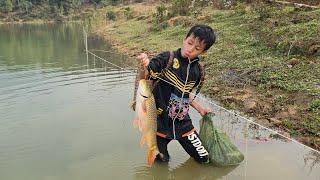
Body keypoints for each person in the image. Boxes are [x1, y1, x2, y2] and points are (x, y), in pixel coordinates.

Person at [137, 24, 216, 164]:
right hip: (159, 123)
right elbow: (146, 75)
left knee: (203, 158)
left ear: (203, 52)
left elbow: (186, 94)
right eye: (189, 43)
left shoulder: (198, 72)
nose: (190, 49)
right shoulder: (166, 58)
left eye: (197, 48)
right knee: (161, 163)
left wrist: (200, 108)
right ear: (184, 39)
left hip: (182, 122)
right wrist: (144, 64)